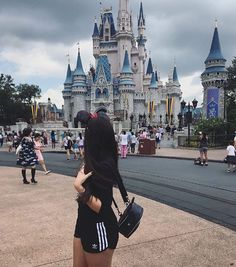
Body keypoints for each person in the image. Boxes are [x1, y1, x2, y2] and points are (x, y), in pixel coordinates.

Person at [73, 110, 120, 267]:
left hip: (100, 227)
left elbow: (102, 207)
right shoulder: (91, 160)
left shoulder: (105, 165)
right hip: (83, 222)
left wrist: (79, 187)